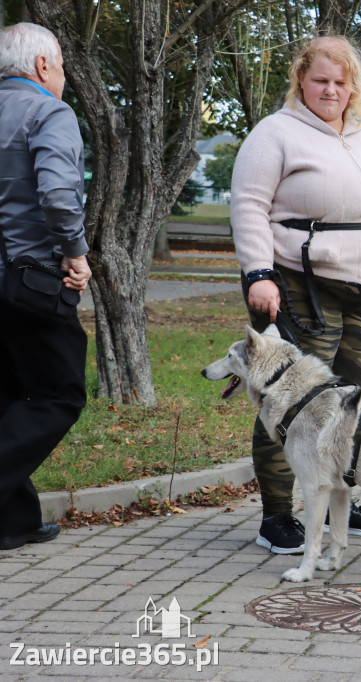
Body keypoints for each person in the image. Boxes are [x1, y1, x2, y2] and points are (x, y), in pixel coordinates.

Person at [230, 35, 361, 554]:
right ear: (301, 79)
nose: (331, 90)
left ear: (353, 86)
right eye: (321, 79)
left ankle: (343, 499)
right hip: (302, 286)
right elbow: (249, 205)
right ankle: (277, 516)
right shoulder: (275, 134)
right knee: (290, 404)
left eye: (341, 82)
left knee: (351, 405)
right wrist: (258, 274)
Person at [0, 23, 91, 550]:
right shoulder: (48, 112)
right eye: (59, 66)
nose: (61, 76)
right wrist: (76, 254)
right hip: (31, 281)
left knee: (6, 393)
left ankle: (14, 522)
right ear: (41, 66)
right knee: (58, 394)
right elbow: (59, 195)